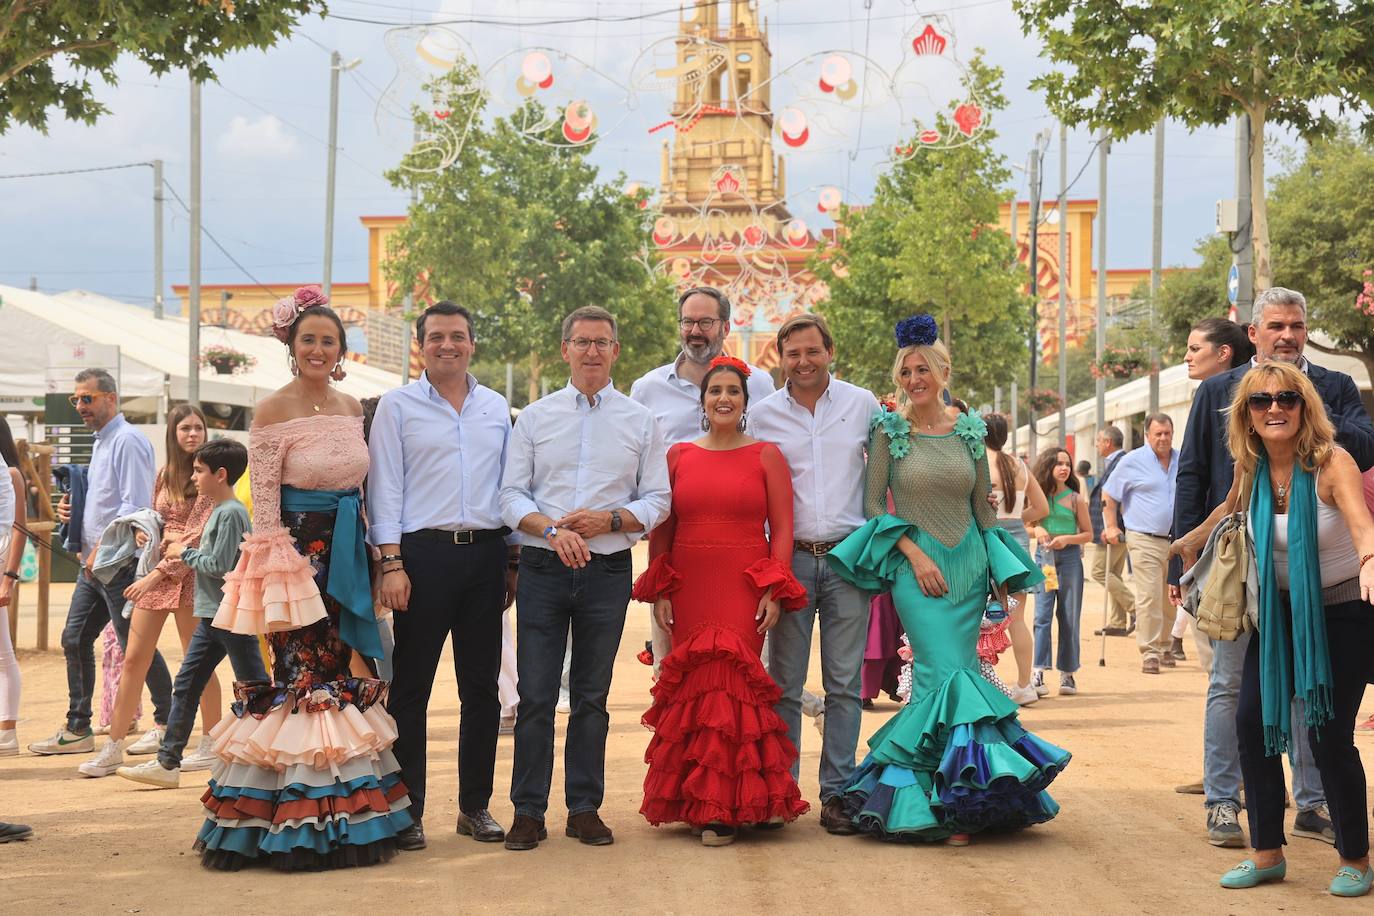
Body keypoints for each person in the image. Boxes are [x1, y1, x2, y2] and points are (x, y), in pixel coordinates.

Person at [825, 315, 1067, 843]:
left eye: (923, 369)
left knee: (964, 674)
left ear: (943, 371)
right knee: (942, 673)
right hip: (918, 570)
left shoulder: (969, 429)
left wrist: (1000, 575)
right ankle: (946, 805)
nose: (914, 379)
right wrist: (914, 555)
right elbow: (872, 509)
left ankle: (970, 797)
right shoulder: (889, 430)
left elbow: (983, 510)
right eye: (906, 371)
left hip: (969, 569)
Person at [196, 285, 412, 870]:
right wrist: (278, 578)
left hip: (348, 553)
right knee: (300, 676)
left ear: (341, 350)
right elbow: (264, 505)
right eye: (309, 339)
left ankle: (344, 816)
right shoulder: (271, 410)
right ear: (292, 344)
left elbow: (362, 490)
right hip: (297, 561)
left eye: (329, 341)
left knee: (339, 671)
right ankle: (289, 819)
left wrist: (372, 557)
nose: (319, 350)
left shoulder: (350, 408)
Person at [1172, 290, 1368, 847]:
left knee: (1315, 697)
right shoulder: (1217, 391)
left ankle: (1313, 805)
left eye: (1297, 325)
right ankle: (1223, 802)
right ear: (1252, 333)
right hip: (1243, 577)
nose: (1287, 334)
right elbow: (1198, 479)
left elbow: (1365, 451)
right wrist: (1183, 554)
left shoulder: (1331, 390)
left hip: (1324, 590)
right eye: (1276, 325)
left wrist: (1308, 418)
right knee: (1233, 691)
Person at [498, 305, 670, 851]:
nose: (592, 351)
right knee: (536, 695)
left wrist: (610, 520)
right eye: (582, 341)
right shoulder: (535, 417)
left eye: (602, 342)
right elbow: (509, 496)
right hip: (546, 567)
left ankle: (584, 808)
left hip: (608, 570)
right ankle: (527, 811)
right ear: (564, 349)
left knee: (593, 696)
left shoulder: (641, 421)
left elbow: (659, 499)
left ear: (616, 351)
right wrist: (553, 531)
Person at [633, 355, 809, 846]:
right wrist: (662, 588)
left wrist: (774, 587)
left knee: (733, 686)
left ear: (746, 402)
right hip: (690, 583)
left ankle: (743, 804)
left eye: (733, 390)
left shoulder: (767, 455)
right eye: (716, 392)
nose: (724, 398)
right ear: (703, 402)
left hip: (744, 584)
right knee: (695, 690)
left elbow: (784, 531)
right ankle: (705, 806)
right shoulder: (679, 456)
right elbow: (663, 532)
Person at [367, 300, 517, 851]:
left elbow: (511, 485)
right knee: (412, 688)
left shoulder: (496, 407)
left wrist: (514, 562)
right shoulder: (397, 407)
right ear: (420, 345)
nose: (447, 345)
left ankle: (474, 807)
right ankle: (409, 812)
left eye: (457, 335)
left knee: (482, 689)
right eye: (436, 337)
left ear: (472, 342)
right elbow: (384, 488)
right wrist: (391, 563)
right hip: (420, 559)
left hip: (485, 557)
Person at [746, 313, 879, 835]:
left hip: (850, 559)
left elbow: (895, 466)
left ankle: (838, 794)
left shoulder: (862, 404)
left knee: (845, 684)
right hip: (790, 560)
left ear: (830, 352)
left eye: (812, 351)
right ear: (780, 358)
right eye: (793, 353)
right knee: (784, 683)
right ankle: (781, 791)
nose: (803, 362)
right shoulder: (761, 416)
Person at [630, 286, 775, 670]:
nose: (696, 330)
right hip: (674, 552)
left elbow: (771, 460)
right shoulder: (647, 390)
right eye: (688, 321)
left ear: (725, 326)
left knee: (745, 669)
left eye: (706, 322)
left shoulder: (760, 385)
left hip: (743, 554)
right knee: (671, 671)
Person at [77, 404, 220, 777]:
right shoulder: (164, 475)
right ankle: (113, 747)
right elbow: (156, 518)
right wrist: (145, 531)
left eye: (198, 428)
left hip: (188, 578)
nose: (193, 435)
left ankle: (212, 742)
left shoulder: (209, 476)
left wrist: (160, 564)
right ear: (173, 433)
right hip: (157, 571)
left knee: (198, 662)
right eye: (186, 428)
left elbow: (197, 537)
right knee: (133, 659)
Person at [30, 369, 167, 757]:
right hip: (93, 565)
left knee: (135, 646)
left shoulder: (127, 440)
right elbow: (106, 498)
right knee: (74, 639)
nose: (79, 406)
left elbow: (135, 505)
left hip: (116, 563)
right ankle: (78, 727)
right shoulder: (103, 441)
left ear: (111, 398)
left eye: (87, 398)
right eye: (76, 399)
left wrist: (98, 549)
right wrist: (71, 510)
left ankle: (165, 722)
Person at [116, 438, 268, 788]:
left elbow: (219, 565)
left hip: (225, 614)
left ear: (221, 474)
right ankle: (168, 762)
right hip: (214, 615)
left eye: (200, 471)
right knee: (188, 685)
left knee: (255, 688)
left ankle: (270, 756)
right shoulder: (223, 510)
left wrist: (184, 553)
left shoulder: (230, 513)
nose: (194, 477)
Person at [1103, 414, 1179, 674]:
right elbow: (1110, 496)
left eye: (1167, 433)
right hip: (1142, 537)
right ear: (1147, 435)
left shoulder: (1183, 459)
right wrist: (1111, 526)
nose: (1163, 438)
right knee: (1149, 596)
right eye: (1158, 433)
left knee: (1170, 596)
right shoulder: (1131, 462)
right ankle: (1150, 652)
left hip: (1176, 541)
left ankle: (1166, 644)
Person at [984, 412, 1049, 706]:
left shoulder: (980, 462)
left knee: (976, 617)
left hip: (989, 542)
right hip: (1017, 543)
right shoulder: (1019, 465)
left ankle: (979, 685)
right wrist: (1016, 519)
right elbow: (1042, 508)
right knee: (1018, 620)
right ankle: (1025, 684)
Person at [1028, 448, 1092, 697]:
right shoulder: (1037, 497)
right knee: (1041, 616)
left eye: (1067, 464)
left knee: (1069, 616)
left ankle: (1068, 673)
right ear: (1048, 467)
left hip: (1070, 559)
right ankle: (1038, 671)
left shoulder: (1076, 499)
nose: (1064, 468)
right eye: (1058, 464)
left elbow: (1088, 534)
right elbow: (1024, 523)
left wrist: (1068, 539)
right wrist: (1039, 530)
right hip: (1044, 558)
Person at [1088, 426, 1134, 636]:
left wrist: (1110, 527)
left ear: (1108, 443)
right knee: (1113, 573)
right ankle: (1117, 621)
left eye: (1098, 440)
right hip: (1115, 527)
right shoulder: (1117, 462)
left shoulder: (1121, 462)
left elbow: (1113, 497)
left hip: (1113, 528)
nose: (1096, 444)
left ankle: (1136, 609)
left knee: (1099, 570)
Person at [0, 428, 24, 756]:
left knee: (3, 652)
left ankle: (7, 730)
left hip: (1, 562)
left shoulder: (12, 474)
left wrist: (9, 577)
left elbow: (20, 529)